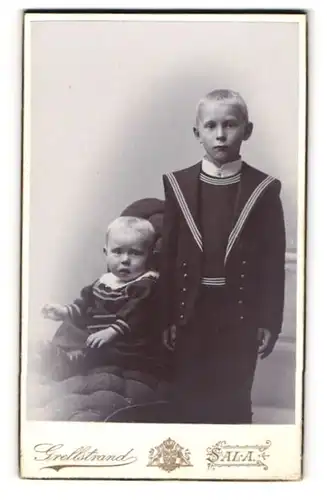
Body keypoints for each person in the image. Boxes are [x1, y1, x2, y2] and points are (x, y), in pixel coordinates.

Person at [158, 89, 286, 424]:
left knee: (234, 398)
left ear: (247, 130)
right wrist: (167, 318)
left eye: (230, 125)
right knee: (188, 397)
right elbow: (167, 258)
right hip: (190, 312)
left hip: (239, 314)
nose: (220, 134)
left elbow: (273, 264)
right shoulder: (177, 185)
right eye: (211, 125)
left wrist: (269, 320)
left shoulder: (265, 189)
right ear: (196, 132)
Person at [42, 212, 165, 379]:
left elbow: (138, 312)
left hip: (127, 342)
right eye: (117, 252)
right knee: (69, 329)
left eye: (135, 253)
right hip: (98, 334)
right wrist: (64, 311)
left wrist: (111, 332)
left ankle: (73, 361)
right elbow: (86, 303)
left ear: (149, 256)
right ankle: (57, 355)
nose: (125, 260)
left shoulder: (146, 284)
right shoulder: (105, 281)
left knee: (104, 350)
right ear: (106, 253)